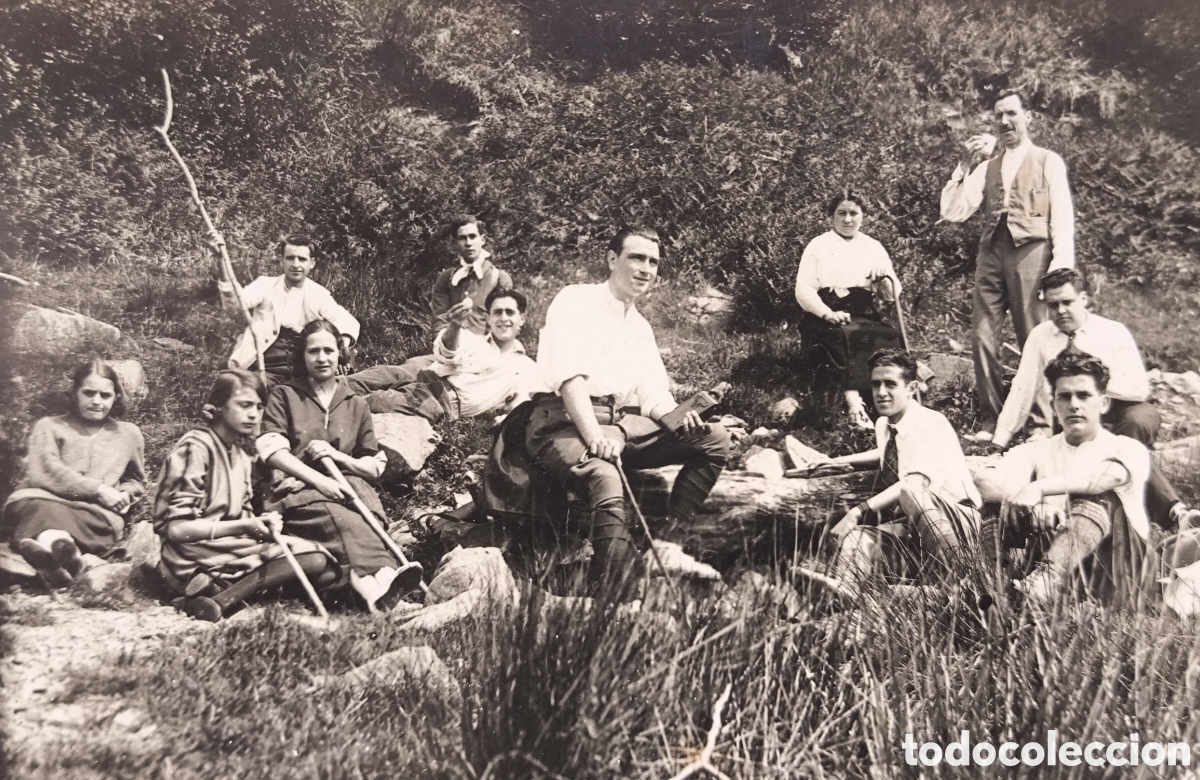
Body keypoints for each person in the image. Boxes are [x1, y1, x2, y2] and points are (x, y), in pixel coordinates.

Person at [504, 226, 730, 598]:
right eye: (636, 258)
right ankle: (617, 589)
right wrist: (594, 437)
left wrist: (679, 417)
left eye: (653, 262)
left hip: (620, 425)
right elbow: (570, 380)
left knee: (715, 438)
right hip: (562, 422)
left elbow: (653, 393)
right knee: (603, 474)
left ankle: (668, 546)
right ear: (612, 259)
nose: (645, 269)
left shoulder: (640, 326)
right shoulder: (575, 300)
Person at [983, 267, 1200, 530]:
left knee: (1131, 432)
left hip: (1123, 407)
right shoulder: (1040, 336)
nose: (1061, 311)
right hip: (1076, 409)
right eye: (1053, 305)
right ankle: (1102, 510)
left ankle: (1170, 512)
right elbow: (1023, 388)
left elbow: (1138, 388)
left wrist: (1090, 379)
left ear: (1083, 299)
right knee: (1077, 443)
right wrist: (999, 440)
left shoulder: (1113, 331)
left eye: (1067, 302)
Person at [940, 89, 1075, 435]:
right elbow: (953, 211)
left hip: (1032, 253)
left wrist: (1060, 269)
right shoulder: (988, 166)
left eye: (1012, 113)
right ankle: (992, 418)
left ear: (1028, 117)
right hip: (991, 254)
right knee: (982, 335)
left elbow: (1062, 218)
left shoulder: (1048, 161)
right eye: (998, 115)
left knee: (1034, 334)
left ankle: (1041, 422)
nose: (1004, 121)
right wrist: (963, 165)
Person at [155, 369, 337, 622]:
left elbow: (244, 516)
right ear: (219, 406)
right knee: (313, 560)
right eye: (244, 405)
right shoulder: (195, 448)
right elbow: (177, 529)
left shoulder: (240, 456)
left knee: (326, 571)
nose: (253, 414)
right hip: (191, 551)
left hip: (229, 547)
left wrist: (262, 525)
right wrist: (245, 526)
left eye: (259, 407)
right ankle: (221, 600)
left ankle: (213, 591)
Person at [256, 320, 412, 613]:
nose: (322, 358)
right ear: (302, 356)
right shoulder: (285, 395)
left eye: (328, 350)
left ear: (341, 353)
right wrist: (320, 481)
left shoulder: (355, 403)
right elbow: (272, 451)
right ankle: (377, 590)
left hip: (349, 492)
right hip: (300, 495)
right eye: (313, 351)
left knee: (362, 524)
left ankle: (381, 587)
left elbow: (372, 464)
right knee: (342, 523)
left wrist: (338, 457)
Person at [975, 353, 1155, 606]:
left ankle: (1048, 580)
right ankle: (991, 587)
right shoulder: (1040, 448)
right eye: (1064, 396)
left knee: (1099, 496)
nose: (1074, 405)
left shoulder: (1126, 447)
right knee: (999, 503)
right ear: (1054, 404)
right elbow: (984, 478)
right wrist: (1031, 503)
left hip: (1118, 574)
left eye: (1084, 395)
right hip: (1064, 565)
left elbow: (1106, 478)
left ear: (1103, 403)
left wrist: (1038, 488)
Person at [798, 350, 981, 595]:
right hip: (913, 528)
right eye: (876, 384)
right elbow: (885, 451)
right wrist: (835, 460)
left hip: (958, 524)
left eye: (890, 384)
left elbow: (914, 483)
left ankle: (960, 583)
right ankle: (846, 592)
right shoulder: (885, 423)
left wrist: (857, 510)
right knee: (857, 537)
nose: (881, 392)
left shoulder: (929, 422)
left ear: (911, 388)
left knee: (910, 494)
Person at [3, 360, 145, 589]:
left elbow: (135, 480)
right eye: (89, 393)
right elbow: (46, 470)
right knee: (40, 509)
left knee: (95, 523)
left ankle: (51, 552)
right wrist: (98, 489)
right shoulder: (49, 426)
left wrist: (125, 495)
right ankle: (62, 551)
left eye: (105, 395)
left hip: (94, 513)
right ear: (75, 392)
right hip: (44, 500)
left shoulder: (129, 434)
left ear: (115, 397)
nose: (96, 401)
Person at [345, 287, 544, 421]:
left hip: (443, 400)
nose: (503, 318)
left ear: (522, 319)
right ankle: (329, 388)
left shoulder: (527, 367)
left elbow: (522, 404)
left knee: (377, 401)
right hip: (426, 373)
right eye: (497, 312)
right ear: (488, 319)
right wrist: (455, 325)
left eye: (510, 312)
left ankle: (332, 411)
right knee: (377, 375)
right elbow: (447, 352)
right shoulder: (473, 340)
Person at [795, 191, 904, 429]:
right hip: (824, 313)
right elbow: (803, 289)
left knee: (888, 336)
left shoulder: (873, 247)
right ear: (831, 217)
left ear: (863, 216)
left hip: (863, 312)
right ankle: (855, 407)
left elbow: (892, 295)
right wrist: (827, 313)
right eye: (841, 213)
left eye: (853, 213)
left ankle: (890, 407)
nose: (847, 219)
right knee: (841, 336)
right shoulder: (819, 245)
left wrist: (883, 278)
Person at [210, 231, 360, 388]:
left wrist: (340, 349)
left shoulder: (317, 293)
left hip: (301, 365)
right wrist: (221, 260)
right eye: (290, 258)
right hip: (265, 363)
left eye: (302, 259)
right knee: (250, 389)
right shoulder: (265, 285)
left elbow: (347, 322)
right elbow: (235, 304)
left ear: (312, 263)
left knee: (313, 392)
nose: (295, 264)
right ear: (281, 260)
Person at [430, 217, 513, 338]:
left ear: (482, 240)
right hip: (452, 345)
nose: (468, 243)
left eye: (473, 236)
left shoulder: (499, 278)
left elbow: (505, 323)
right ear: (455, 243)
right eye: (462, 238)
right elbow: (440, 319)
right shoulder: (447, 278)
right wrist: (444, 343)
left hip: (485, 345)